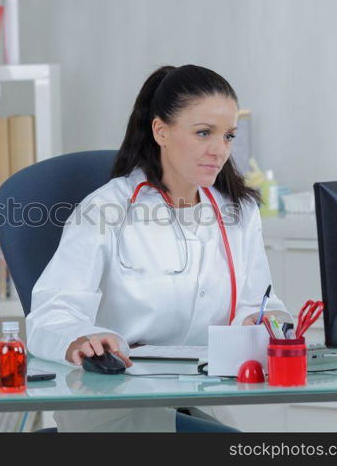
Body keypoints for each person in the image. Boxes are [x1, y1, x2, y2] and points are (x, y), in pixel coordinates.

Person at [26, 64, 293, 432]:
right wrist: (81, 338)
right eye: (203, 133)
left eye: (228, 136)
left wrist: (263, 321)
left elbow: (261, 302)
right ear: (161, 131)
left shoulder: (239, 212)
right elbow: (52, 313)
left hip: (205, 392)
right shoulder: (105, 210)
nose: (220, 150)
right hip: (119, 396)